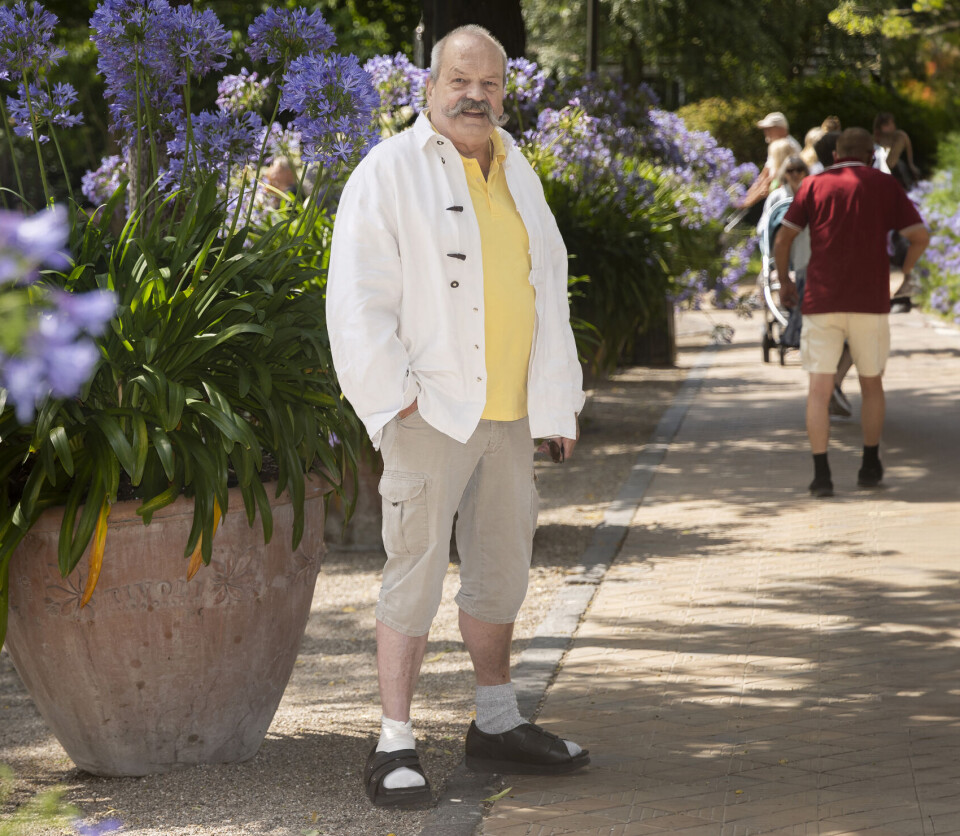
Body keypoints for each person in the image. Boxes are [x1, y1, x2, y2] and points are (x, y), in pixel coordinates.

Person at [326, 25, 589, 808]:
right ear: (430, 88)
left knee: (501, 573)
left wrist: (556, 401)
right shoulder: (389, 170)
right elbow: (357, 298)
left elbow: (549, 292)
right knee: (413, 575)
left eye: (492, 85)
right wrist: (396, 396)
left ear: (505, 94)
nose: (477, 96)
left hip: (510, 416)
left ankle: (497, 720)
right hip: (429, 411)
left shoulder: (521, 171)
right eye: (460, 81)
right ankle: (394, 743)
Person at [773, 127, 929, 498]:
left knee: (818, 389)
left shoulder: (813, 185)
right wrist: (903, 273)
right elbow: (919, 235)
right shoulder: (884, 185)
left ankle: (821, 474)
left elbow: (783, 238)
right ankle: (870, 464)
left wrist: (785, 282)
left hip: (822, 299)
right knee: (871, 383)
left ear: (836, 153)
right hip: (870, 300)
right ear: (871, 153)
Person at [740, 111, 803, 209]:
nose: (766, 132)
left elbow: (771, 179)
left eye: (769, 128)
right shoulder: (775, 145)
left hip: (787, 199)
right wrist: (745, 198)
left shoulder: (787, 146)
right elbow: (764, 174)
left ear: (781, 129)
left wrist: (747, 202)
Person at [873, 112, 921, 188]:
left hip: (900, 177)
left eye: (892, 123)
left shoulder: (900, 136)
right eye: (888, 124)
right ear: (881, 127)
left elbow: (891, 163)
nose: (892, 126)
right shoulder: (875, 142)